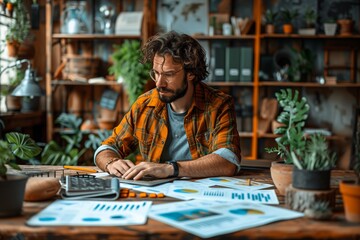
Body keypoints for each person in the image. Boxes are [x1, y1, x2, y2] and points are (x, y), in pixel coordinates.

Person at [94, 31, 241, 180]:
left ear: (190, 73)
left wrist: (171, 169)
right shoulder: (144, 105)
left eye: (169, 74)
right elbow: (107, 148)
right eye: (156, 73)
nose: (159, 83)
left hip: (203, 197)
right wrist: (111, 163)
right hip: (156, 196)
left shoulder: (219, 105)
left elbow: (228, 161)